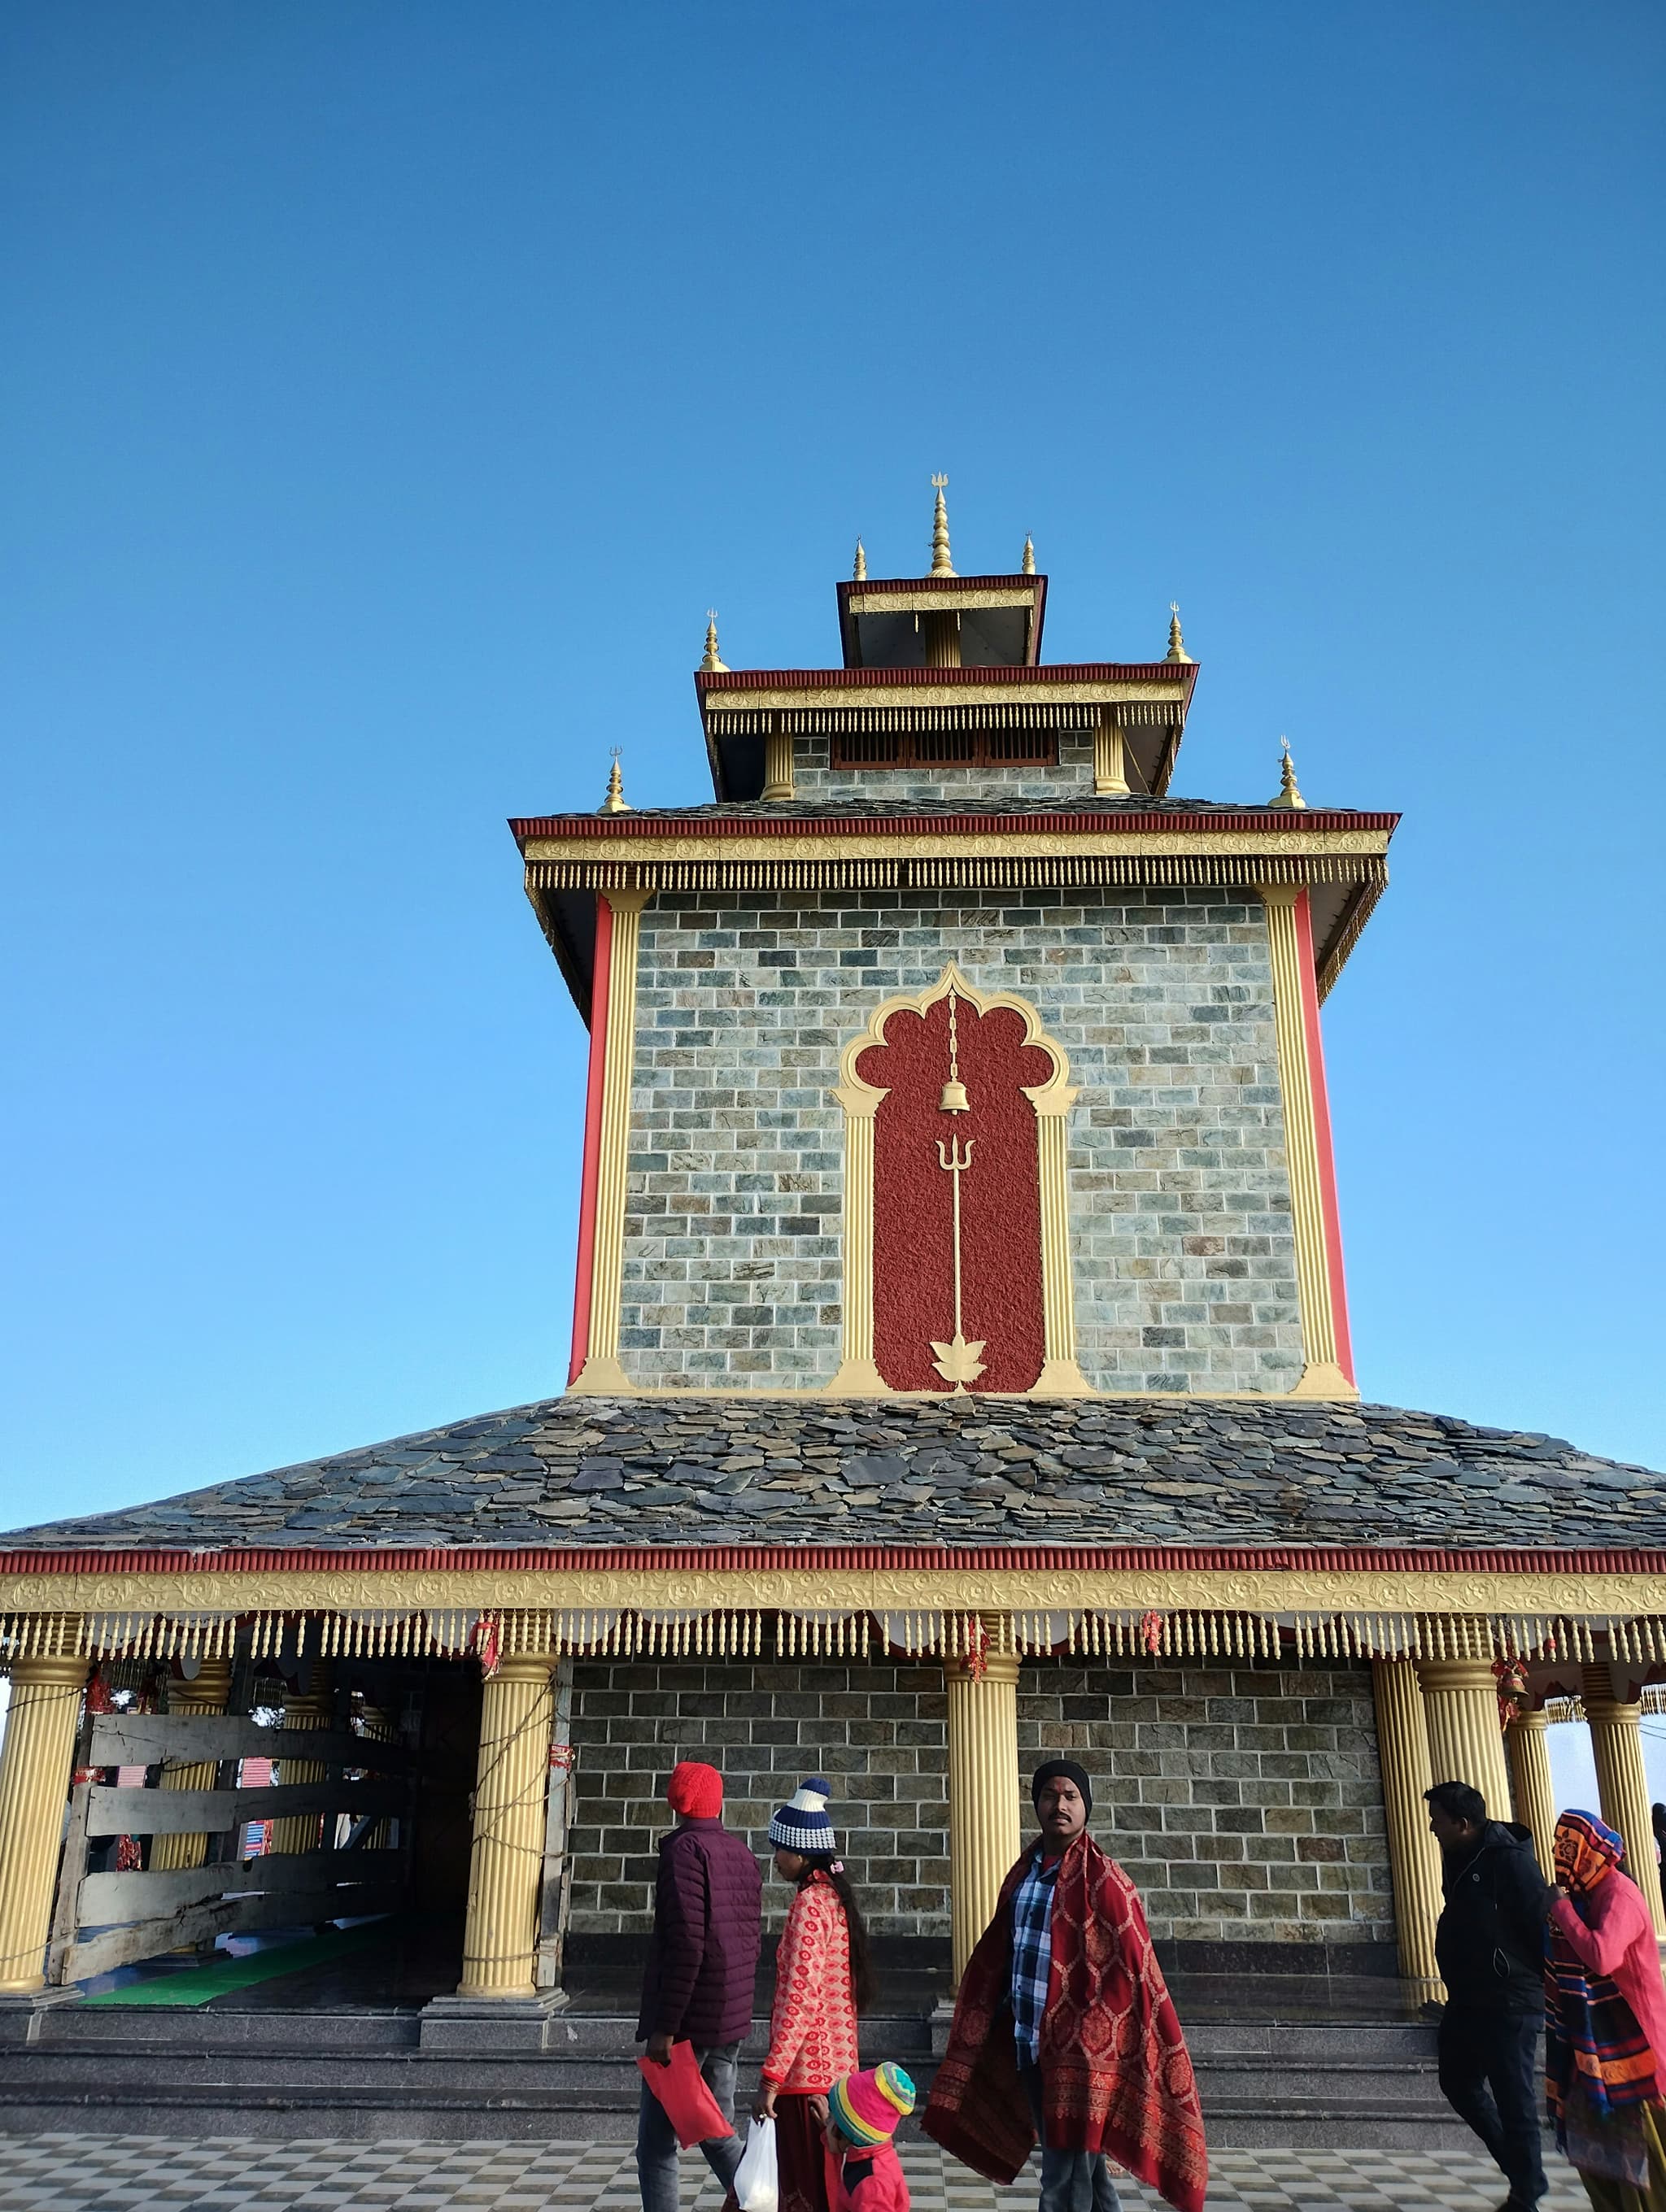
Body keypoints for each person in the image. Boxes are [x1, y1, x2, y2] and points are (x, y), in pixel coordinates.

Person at [924, 1758, 1206, 2212]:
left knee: (1061, 2179)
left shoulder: (1108, 1882)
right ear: (1036, 1804)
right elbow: (1001, 1951)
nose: (1060, 1805)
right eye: (1051, 1795)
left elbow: (1132, 1971)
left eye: (1071, 1796)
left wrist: (1092, 2037)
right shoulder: (1024, 1873)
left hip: (1082, 2058)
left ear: (1085, 1807)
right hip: (1030, 2044)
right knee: (1086, 2172)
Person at [741, 1777, 875, 2212]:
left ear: (799, 1852)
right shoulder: (833, 1900)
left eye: (779, 1849)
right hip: (836, 2076)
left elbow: (799, 2000)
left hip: (803, 2081)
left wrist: (771, 2079)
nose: (775, 1858)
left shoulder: (809, 1906)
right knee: (825, 2192)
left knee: (801, 2193)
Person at [636, 1760, 763, 2212]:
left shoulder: (683, 1852)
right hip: (730, 2018)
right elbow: (751, 1940)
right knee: (716, 2128)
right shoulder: (741, 1854)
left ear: (677, 1801)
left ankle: (764, 2200)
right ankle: (765, 2199)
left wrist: (665, 2027)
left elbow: (687, 1944)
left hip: (688, 2023)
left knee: (655, 2145)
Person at [1425, 1778, 1555, 2212]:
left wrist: (1531, 1986)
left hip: (1509, 1999)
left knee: (1514, 2097)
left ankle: (1526, 2190)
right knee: (1458, 2082)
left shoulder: (1510, 1862)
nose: (1431, 1828)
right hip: (1468, 1996)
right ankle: (1524, 2176)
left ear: (1463, 1823)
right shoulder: (1458, 1855)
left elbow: (1539, 1927)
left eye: (1437, 1820)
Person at [1546, 1808, 1666, 2210]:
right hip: (1601, 2048)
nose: (1563, 1860)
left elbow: (1603, 1956)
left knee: (1642, 2163)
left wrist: (1560, 1910)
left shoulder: (1619, 1895)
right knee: (1602, 2158)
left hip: (1638, 2051)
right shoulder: (1591, 1896)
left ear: (1589, 1852)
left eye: (1569, 1850)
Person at [818, 2062, 917, 2212]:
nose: (827, 2121)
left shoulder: (872, 2183)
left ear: (849, 2129)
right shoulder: (868, 2152)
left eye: (832, 2117)